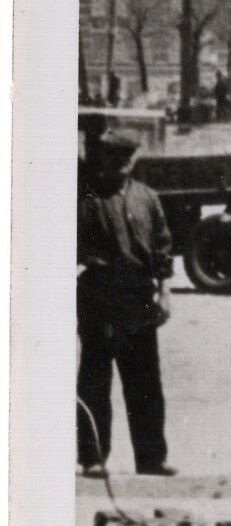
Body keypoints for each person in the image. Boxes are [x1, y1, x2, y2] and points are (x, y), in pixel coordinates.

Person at [77, 130, 174, 476]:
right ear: (103, 157)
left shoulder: (147, 198)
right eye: (114, 154)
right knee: (95, 379)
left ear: (135, 158)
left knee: (146, 383)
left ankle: (151, 459)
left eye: (127, 154)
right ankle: (92, 458)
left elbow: (162, 247)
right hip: (99, 296)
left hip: (138, 297)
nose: (121, 161)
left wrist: (164, 292)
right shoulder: (86, 199)